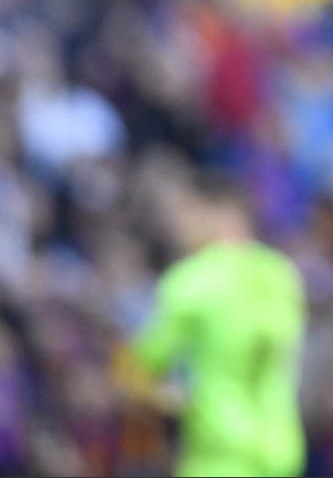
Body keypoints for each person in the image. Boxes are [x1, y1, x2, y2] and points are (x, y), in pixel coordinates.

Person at [116, 171, 307, 477]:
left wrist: (175, 399)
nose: (179, 226)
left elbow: (138, 369)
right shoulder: (281, 275)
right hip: (281, 451)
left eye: (188, 212)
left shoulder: (190, 281)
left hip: (217, 457)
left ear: (216, 213)